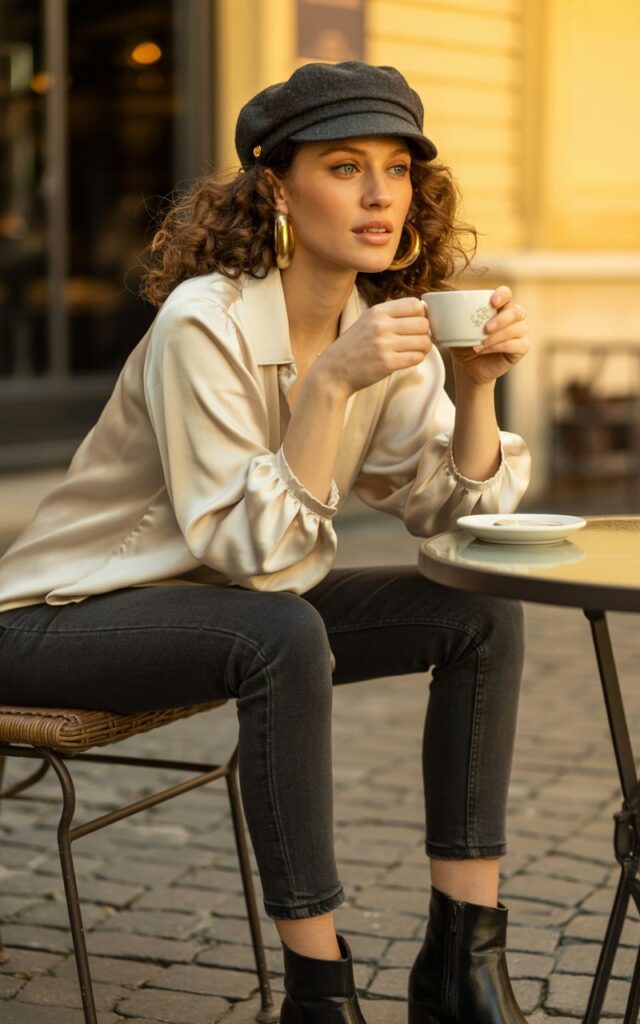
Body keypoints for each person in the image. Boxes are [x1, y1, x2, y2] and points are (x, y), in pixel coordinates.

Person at [0, 62, 532, 1023]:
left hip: (228, 608)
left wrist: (479, 384)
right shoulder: (205, 321)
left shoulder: (376, 325)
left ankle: (463, 960)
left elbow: (456, 525)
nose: (380, 194)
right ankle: (319, 996)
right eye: (343, 166)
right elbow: (264, 562)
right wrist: (325, 387)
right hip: (61, 617)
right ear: (279, 189)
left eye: (397, 169)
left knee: (477, 611)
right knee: (281, 632)